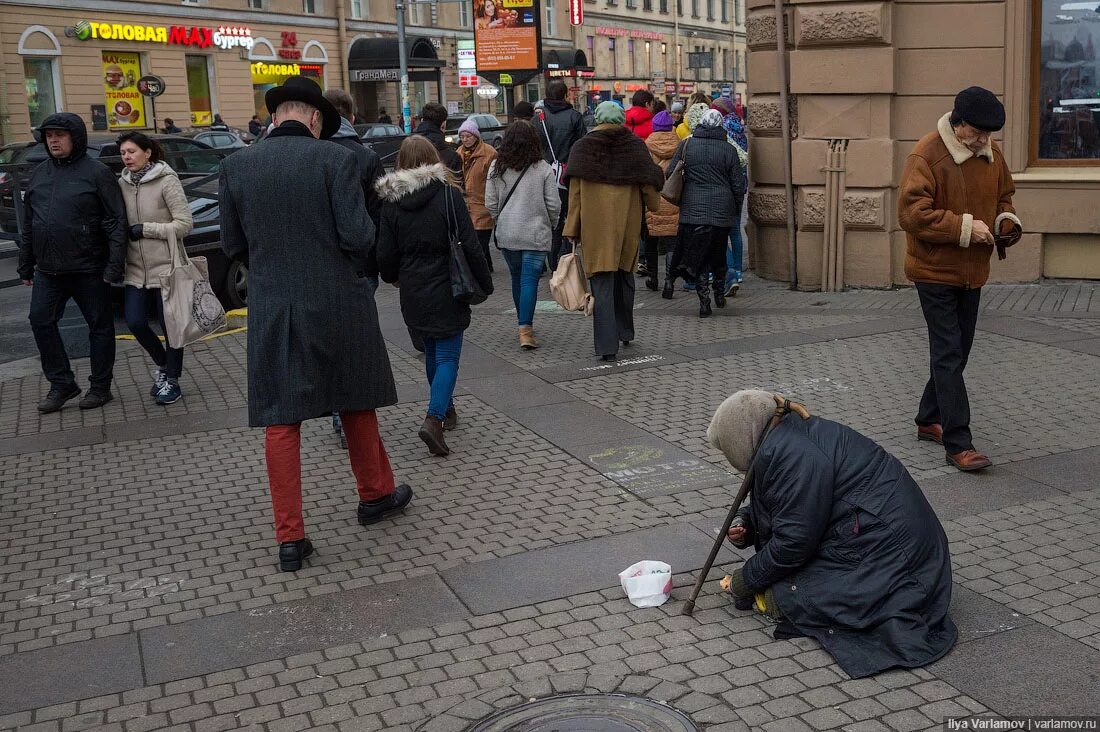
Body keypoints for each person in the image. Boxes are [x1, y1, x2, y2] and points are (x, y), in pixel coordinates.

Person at [219, 77, 412, 572]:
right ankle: (375, 495)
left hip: (273, 305)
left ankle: (291, 538)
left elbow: (232, 245)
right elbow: (356, 235)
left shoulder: (236, 165)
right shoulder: (336, 160)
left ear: (277, 114)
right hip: (338, 301)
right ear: (314, 117)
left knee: (281, 420)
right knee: (355, 399)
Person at [708, 390, 958, 679]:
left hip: (895, 561)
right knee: (784, 583)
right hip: (892, 544)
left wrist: (745, 580)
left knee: (789, 595)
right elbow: (791, 504)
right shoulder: (789, 437)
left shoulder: (795, 454)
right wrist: (746, 523)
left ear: (740, 441)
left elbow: (794, 543)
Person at [898, 86, 1021, 472]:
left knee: (958, 351)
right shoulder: (927, 153)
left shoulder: (991, 154)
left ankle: (927, 417)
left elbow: (1005, 198)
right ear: (959, 123)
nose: (985, 140)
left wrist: (1006, 222)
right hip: (934, 272)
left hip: (972, 273)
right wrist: (966, 228)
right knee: (949, 353)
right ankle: (958, 442)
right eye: (978, 132)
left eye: (989, 134)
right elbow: (913, 214)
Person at [376, 136, 494, 457]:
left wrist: (392, 277)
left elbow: (385, 254)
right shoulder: (447, 195)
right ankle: (434, 418)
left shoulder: (391, 202)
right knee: (447, 357)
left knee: (431, 351)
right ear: (432, 159)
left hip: (412, 290)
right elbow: (469, 243)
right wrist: (484, 282)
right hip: (449, 286)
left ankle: (447, 407)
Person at [18, 113, 127, 413]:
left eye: (59, 135)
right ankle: (62, 383)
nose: (53, 140)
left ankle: (100, 387)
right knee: (40, 321)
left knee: (100, 327)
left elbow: (116, 221)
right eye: (48, 135)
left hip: (89, 267)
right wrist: (25, 262)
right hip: (48, 269)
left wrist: (114, 265)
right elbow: (30, 223)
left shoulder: (97, 173)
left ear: (75, 138)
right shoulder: (39, 173)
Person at [563, 101, 662, 362]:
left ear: (596, 118)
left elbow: (574, 196)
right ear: (620, 119)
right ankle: (625, 330)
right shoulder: (634, 146)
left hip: (595, 230)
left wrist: (572, 227)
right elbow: (648, 186)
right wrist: (654, 205)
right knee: (625, 278)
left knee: (602, 284)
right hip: (627, 226)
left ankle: (607, 347)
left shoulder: (582, 148)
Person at [117, 132, 194, 406]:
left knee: (171, 326)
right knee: (135, 322)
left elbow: (185, 224)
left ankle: (172, 381)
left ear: (148, 152)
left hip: (167, 268)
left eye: (132, 151)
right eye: (123, 152)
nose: (127, 157)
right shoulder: (122, 183)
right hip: (135, 269)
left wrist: (147, 229)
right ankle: (164, 365)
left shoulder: (166, 179)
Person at [485, 122, 560, 350]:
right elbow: (553, 205)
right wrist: (551, 224)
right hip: (535, 233)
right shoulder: (543, 168)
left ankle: (522, 325)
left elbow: (490, 203)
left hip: (508, 233)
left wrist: (502, 220)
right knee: (529, 281)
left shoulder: (497, 166)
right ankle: (525, 330)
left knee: (517, 279)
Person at [665, 109, 744, 317]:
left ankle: (704, 303)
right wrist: (735, 209)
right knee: (718, 256)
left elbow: (670, 171)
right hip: (722, 211)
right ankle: (719, 293)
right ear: (720, 126)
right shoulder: (728, 150)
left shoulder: (687, 145)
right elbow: (738, 184)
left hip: (693, 211)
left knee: (699, 257)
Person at [536, 80, 588, 270]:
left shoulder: (539, 118)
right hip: (569, 174)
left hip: (543, 174)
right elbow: (582, 145)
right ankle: (565, 257)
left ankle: (551, 259)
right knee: (568, 215)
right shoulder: (574, 117)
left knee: (550, 218)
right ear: (566, 95)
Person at [324, 88, 384, 226]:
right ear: (352, 119)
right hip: (363, 242)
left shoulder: (311, 154)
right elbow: (379, 213)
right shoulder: (368, 158)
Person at [712, 96, 750, 296]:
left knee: (721, 230)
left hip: (725, 183)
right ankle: (738, 269)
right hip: (740, 182)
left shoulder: (723, 128)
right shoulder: (738, 126)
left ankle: (729, 271)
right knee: (735, 229)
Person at [643, 110, 681, 293]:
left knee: (651, 240)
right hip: (673, 198)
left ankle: (652, 277)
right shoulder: (680, 145)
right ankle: (669, 280)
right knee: (672, 242)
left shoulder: (646, 146)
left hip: (653, 199)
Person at [457, 118, 498, 271]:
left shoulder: (489, 153)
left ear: (476, 136)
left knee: (481, 240)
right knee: (473, 240)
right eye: (462, 137)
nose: (465, 140)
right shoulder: (459, 152)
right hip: (466, 203)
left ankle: (484, 268)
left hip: (482, 202)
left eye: (468, 136)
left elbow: (495, 179)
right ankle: (485, 267)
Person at [415, 102, 464, 184]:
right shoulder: (452, 156)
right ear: (443, 124)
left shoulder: (407, 148)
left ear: (422, 120)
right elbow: (458, 188)